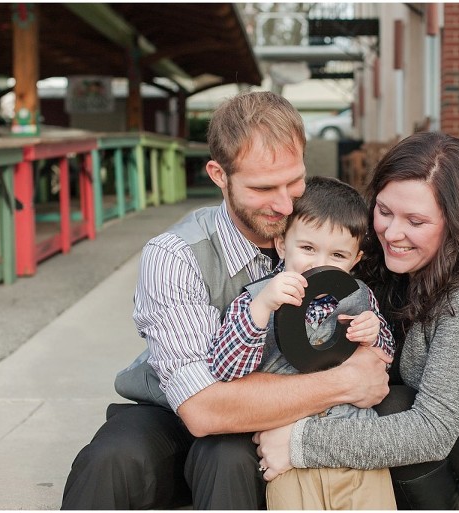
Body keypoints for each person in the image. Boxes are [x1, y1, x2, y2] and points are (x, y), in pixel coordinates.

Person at [61, 91, 391, 510]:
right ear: (219, 175)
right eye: (263, 187)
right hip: (174, 410)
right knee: (111, 461)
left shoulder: (327, 236)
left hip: (279, 424)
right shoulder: (176, 255)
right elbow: (202, 410)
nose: (285, 203)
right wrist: (345, 382)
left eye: (294, 180)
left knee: (229, 456)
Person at [254, 132, 459, 510]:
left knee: (394, 405)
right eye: (384, 211)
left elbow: (431, 431)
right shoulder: (371, 252)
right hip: (409, 417)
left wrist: (299, 443)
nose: (392, 233)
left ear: (455, 221)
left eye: (416, 221)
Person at [209, 176, 397, 510]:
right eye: (307, 248)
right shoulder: (257, 297)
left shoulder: (358, 296)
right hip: (286, 449)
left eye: (337, 254)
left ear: (355, 260)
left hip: (355, 443)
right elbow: (224, 370)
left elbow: (383, 360)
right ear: (282, 244)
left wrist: (374, 333)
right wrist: (262, 308)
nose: (320, 263)